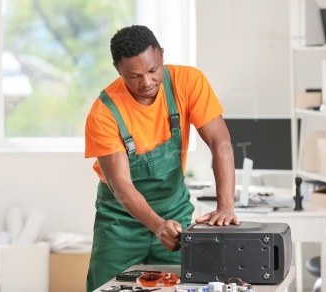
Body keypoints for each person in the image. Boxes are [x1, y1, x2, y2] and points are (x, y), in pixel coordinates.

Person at [84, 25, 239, 291]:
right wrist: (156, 226)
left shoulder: (188, 82)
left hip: (174, 214)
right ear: (117, 70)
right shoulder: (104, 112)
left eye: (153, 70)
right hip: (119, 221)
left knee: (185, 284)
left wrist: (225, 206)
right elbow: (121, 185)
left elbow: (220, 143)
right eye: (133, 76)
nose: (146, 83)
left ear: (162, 56)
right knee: (106, 287)